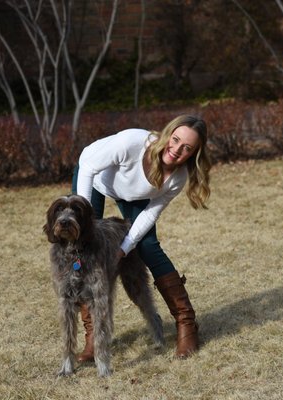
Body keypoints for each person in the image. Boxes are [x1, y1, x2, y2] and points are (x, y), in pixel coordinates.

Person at [71, 114, 212, 360]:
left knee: (148, 246)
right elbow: (89, 168)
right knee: (84, 248)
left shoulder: (177, 178)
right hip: (95, 178)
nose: (177, 150)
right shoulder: (132, 143)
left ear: (194, 153)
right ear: (168, 134)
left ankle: (186, 323)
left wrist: (124, 248)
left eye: (187, 148)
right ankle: (94, 334)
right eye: (175, 139)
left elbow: (150, 214)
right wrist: (84, 222)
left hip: (133, 195)